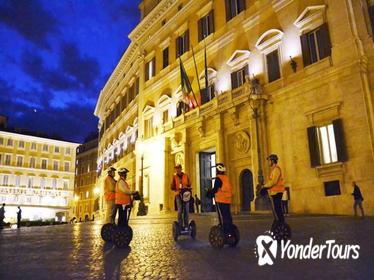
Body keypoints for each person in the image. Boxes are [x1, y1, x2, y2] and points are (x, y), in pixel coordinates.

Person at [206, 163, 233, 235]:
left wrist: (208, 192)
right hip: (227, 200)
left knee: (222, 216)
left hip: (220, 200)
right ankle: (230, 230)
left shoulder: (218, 178)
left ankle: (225, 231)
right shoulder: (226, 178)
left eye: (216, 169)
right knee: (227, 215)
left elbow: (215, 190)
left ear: (218, 170)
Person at [262, 154, 286, 224]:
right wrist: (265, 186)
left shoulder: (276, 170)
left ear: (272, 161)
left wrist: (265, 187)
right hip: (275, 192)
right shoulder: (274, 170)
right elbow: (271, 181)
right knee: (276, 209)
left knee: (278, 209)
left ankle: (281, 224)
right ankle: (280, 223)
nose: (268, 162)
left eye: (269, 161)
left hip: (277, 192)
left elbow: (273, 181)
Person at [170, 164, 191, 229]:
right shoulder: (174, 177)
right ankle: (180, 225)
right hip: (178, 194)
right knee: (180, 210)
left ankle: (186, 225)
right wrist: (175, 188)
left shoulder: (186, 175)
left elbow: (189, 184)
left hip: (185, 194)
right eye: (176, 169)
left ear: (181, 169)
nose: (177, 170)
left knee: (186, 210)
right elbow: (172, 186)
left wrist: (187, 187)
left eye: (178, 168)